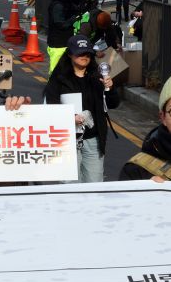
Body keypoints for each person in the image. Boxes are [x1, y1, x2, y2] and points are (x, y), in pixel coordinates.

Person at [44, 35, 119, 183]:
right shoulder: (59, 78)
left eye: (87, 53)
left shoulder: (98, 77)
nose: (84, 56)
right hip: (68, 141)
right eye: (79, 53)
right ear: (70, 54)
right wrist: (70, 118)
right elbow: (51, 107)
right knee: (70, 186)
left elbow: (113, 103)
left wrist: (110, 88)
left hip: (94, 140)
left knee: (95, 185)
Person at [47, 0, 79, 74]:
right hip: (58, 44)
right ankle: (52, 82)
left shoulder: (65, 3)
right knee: (55, 70)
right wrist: (73, 19)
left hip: (65, 42)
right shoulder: (58, 6)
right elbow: (60, 24)